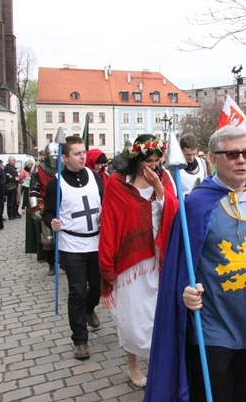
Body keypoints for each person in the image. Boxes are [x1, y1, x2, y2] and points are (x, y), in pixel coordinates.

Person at [145, 126, 246, 402]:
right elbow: (180, 266)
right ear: (213, 159)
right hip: (211, 326)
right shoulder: (195, 205)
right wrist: (186, 289)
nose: (242, 159)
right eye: (232, 154)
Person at [98, 134, 177, 388]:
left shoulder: (164, 178)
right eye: (147, 161)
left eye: (156, 160)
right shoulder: (117, 183)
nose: (152, 166)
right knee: (131, 317)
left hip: (158, 258)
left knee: (158, 316)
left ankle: (159, 363)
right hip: (130, 262)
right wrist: (107, 264)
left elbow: (175, 213)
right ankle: (133, 364)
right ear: (136, 159)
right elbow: (109, 223)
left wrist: (160, 190)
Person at [43, 136, 104, 360]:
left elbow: (104, 202)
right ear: (65, 157)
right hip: (72, 244)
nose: (83, 156)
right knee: (77, 290)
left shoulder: (95, 177)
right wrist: (52, 221)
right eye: (77, 153)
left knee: (97, 287)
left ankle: (89, 309)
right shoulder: (55, 183)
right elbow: (48, 212)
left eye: (84, 152)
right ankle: (79, 340)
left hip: (96, 242)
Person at [28, 144, 59, 275]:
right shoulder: (38, 168)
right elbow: (34, 190)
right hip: (46, 205)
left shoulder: (65, 167)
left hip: (64, 204)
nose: (55, 159)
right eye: (52, 156)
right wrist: (34, 208)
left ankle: (64, 262)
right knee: (49, 239)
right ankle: (51, 264)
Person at [4, 156, 20, 220]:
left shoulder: (13, 167)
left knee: (14, 201)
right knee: (10, 201)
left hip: (15, 186)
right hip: (10, 186)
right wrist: (14, 178)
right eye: (13, 160)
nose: (14, 161)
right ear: (9, 160)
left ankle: (14, 213)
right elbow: (8, 177)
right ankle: (10, 214)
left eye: (14, 160)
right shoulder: (7, 167)